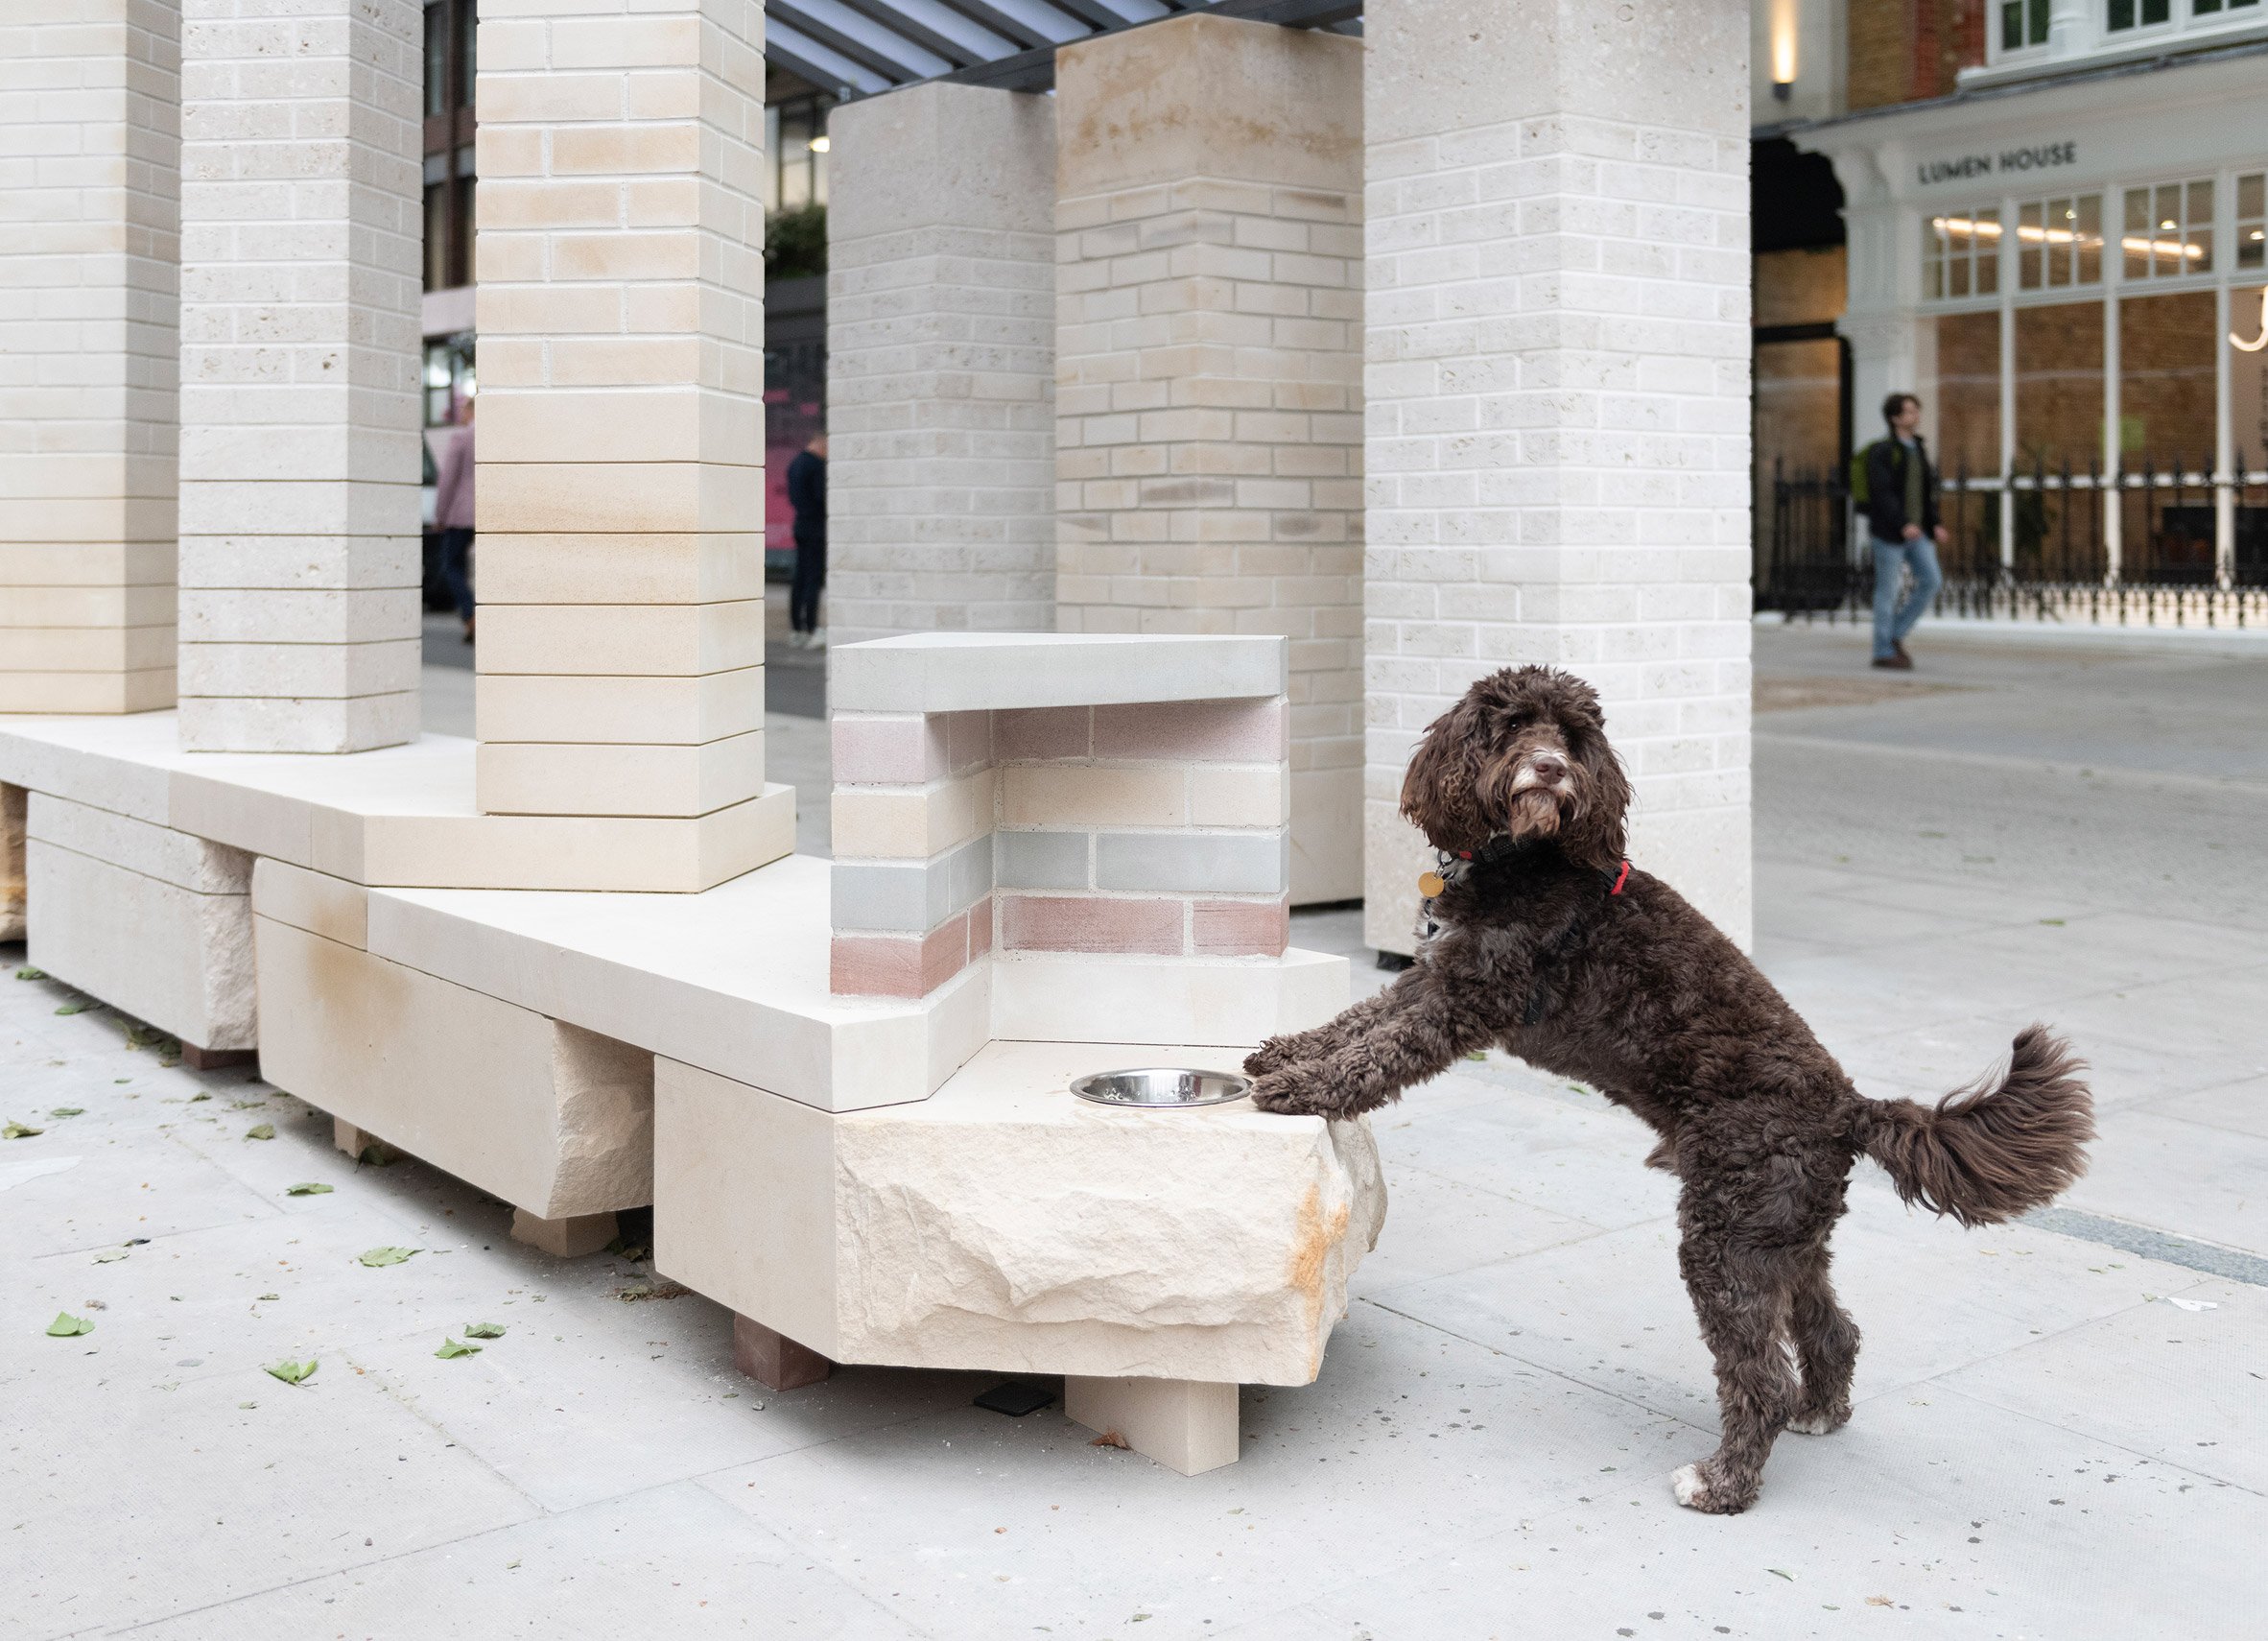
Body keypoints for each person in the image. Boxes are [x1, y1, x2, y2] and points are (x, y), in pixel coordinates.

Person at [1859, 392, 1946, 671]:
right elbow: (1882, 493)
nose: (1915, 416)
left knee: (1932, 580)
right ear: (1895, 418)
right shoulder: (1883, 451)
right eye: (1909, 411)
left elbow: (1925, 492)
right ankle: (1883, 651)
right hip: (1889, 534)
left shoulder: (1918, 448)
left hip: (1918, 533)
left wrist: (1934, 523)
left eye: (1916, 411)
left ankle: (1894, 634)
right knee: (1888, 591)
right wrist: (1902, 523)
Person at [433, 395, 477, 643]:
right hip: (488, 512)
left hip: (461, 514)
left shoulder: (462, 437)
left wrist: (440, 514)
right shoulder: (494, 434)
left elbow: (448, 479)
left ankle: (470, 615)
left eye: (463, 410)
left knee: (452, 565)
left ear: (470, 410)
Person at [785, 433, 827, 649]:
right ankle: (812, 628)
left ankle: (796, 629)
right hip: (816, 529)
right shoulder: (817, 466)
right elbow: (822, 498)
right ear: (822, 443)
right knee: (813, 579)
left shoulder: (795, 464)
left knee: (799, 578)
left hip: (800, 525)